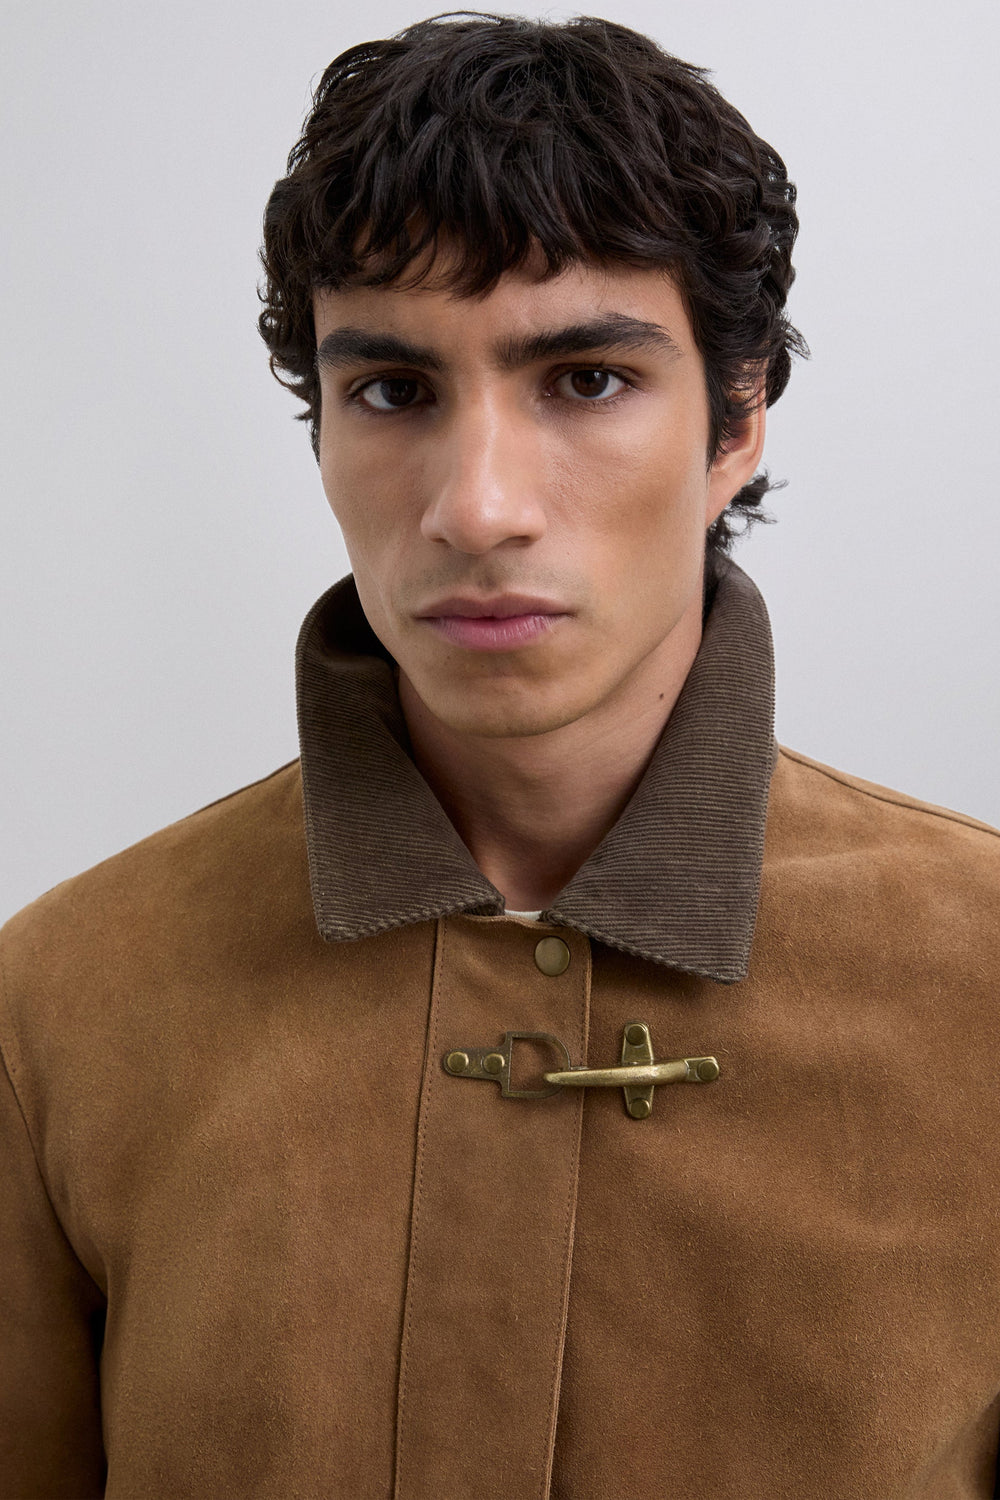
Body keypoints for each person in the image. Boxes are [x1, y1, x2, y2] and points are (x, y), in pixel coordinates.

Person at [2, 12, 999, 1497]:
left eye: (585, 379)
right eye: (394, 392)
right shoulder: (59, 1005)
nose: (477, 507)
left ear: (737, 421)